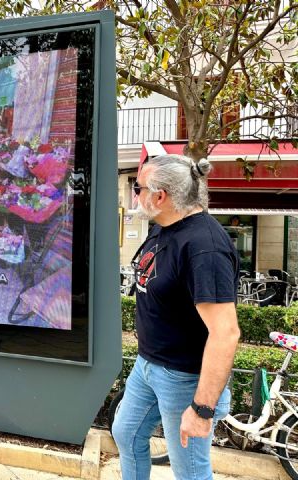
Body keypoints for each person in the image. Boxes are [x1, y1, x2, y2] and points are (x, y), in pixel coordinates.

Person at [112, 155, 240, 479]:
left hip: (184, 378)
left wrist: (201, 408)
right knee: (126, 433)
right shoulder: (163, 228)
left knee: (191, 472)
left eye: (138, 187)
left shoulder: (204, 247)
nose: (134, 194)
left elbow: (225, 333)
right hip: (148, 366)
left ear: (161, 196)